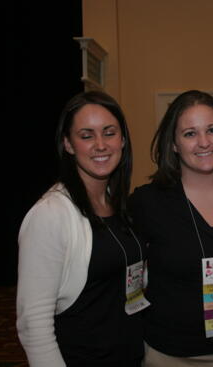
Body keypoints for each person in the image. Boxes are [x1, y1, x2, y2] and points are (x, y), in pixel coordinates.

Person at [128, 90, 213, 367]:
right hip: (173, 356)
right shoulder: (147, 203)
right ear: (173, 144)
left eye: (212, 130)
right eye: (190, 133)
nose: (204, 142)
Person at [16, 91, 147, 367]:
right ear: (68, 144)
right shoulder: (50, 214)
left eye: (109, 133)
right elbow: (33, 323)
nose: (100, 145)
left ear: (122, 140)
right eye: (86, 136)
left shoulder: (118, 202)